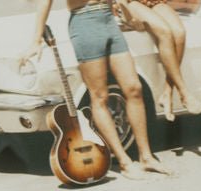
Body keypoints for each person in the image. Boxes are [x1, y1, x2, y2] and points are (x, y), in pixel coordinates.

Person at [22, 0, 172, 178]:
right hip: (84, 22)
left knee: (134, 88)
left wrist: (129, 16)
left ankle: (146, 157)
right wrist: (36, 40)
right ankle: (124, 162)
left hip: (109, 21)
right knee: (99, 96)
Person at [113, 0, 198, 120]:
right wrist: (129, 17)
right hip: (132, 3)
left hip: (155, 2)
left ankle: (167, 92)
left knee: (179, 33)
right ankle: (184, 92)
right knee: (164, 31)